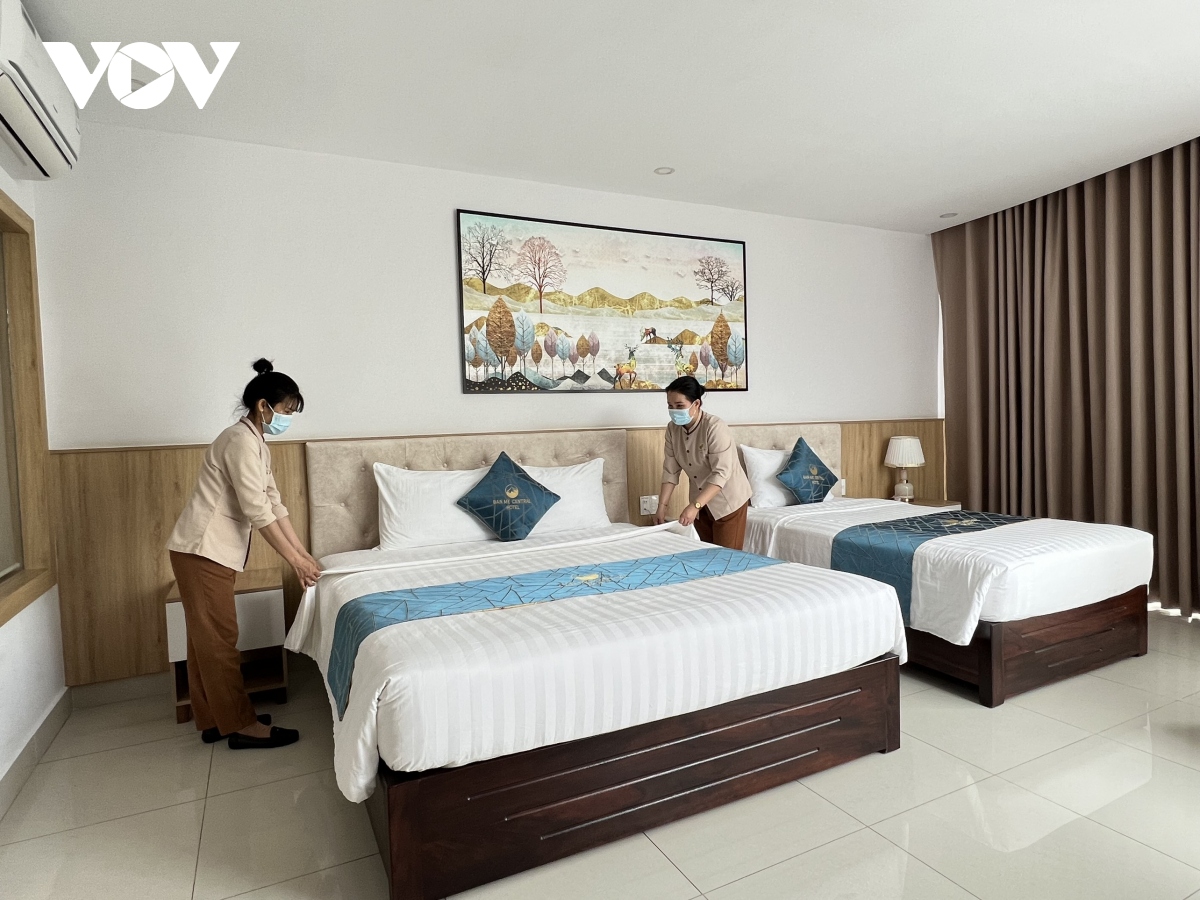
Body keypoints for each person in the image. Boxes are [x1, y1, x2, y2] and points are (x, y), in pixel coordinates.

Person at [166, 359, 322, 749]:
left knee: (205, 641)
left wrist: (303, 553)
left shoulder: (255, 442)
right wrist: (295, 562)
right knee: (220, 639)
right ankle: (241, 725)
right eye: (286, 411)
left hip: (208, 553)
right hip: (203, 553)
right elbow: (257, 511)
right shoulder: (239, 441)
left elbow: (274, 504)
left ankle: (214, 719)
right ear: (263, 406)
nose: (288, 419)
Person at [653, 375, 753, 550]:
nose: (674, 411)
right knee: (707, 556)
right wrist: (662, 506)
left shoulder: (714, 427)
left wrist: (694, 506)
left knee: (727, 558)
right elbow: (670, 471)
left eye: (679, 406)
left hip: (728, 501)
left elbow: (721, 473)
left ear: (696, 404)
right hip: (700, 503)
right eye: (670, 406)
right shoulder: (672, 429)